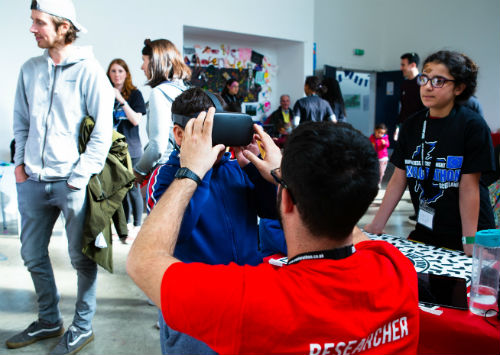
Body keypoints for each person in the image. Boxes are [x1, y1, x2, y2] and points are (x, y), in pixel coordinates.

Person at [127, 114, 420, 354]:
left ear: (287, 201)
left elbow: (143, 261)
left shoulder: (250, 300)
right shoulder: (395, 268)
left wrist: (190, 171)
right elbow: (350, 220)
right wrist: (285, 178)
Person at [7, 1, 114, 354]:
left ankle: (82, 327)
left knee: (81, 258)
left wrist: (78, 177)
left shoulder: (90, 72)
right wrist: (20, 166)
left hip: (71, 183)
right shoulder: (29, 70)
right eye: (32, 21)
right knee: (32, 254)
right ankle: (50, 319)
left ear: (63, 27)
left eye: (39, 22)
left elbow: (102, 133)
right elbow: (21, 123)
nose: (33, 28)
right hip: (32, 182)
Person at [146, 87, 277, 354]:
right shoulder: (166, 177)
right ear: (179, 134)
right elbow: (176, 233)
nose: (212, 141)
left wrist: (254, 167)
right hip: (195, 308)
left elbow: (271, 211)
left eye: (215, 130)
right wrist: (196, 171)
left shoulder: (234, 169)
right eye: (201, 132)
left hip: (244, 296)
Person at [365, 50, 496, 256]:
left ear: (459, 88)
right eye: (425, 78)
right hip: (428, 228)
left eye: (439, 81)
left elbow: (469, 188)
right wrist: (376, 224)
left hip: (468, 230)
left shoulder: (472, 126)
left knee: (462, 288)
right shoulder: (411, 125)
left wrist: (470, 240)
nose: (427, 86)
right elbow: (399, 178)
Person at [133, 38, 191, 185]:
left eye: (144, 61)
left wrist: (138, 171)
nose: (142, 66)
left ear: (155, 62)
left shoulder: (159, 93)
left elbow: (157, 145)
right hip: (186, 168)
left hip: (165, 171)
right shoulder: (185, 90)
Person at [107, 58, 146, 242]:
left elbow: (136, 120)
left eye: (120, 71)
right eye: (113, 71)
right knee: (117, 190)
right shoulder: (104, 93)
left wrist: (120, 99)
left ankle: (138, 226)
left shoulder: (135, 94)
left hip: (132, 148)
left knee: (132, 189)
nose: (117, 75)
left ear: (126, 74)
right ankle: (124, 226)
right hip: (112, 148)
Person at [396, 52, 426, 222]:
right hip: (408, 133)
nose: (401, 68)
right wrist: (398, 127)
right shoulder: (405, 85)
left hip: (420, 134)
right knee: (409, 173)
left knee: (420, 173)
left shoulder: (422, 83)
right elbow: (403, 109)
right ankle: (418, 209)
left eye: (403, 64)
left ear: (413, 65)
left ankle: (424, 210)